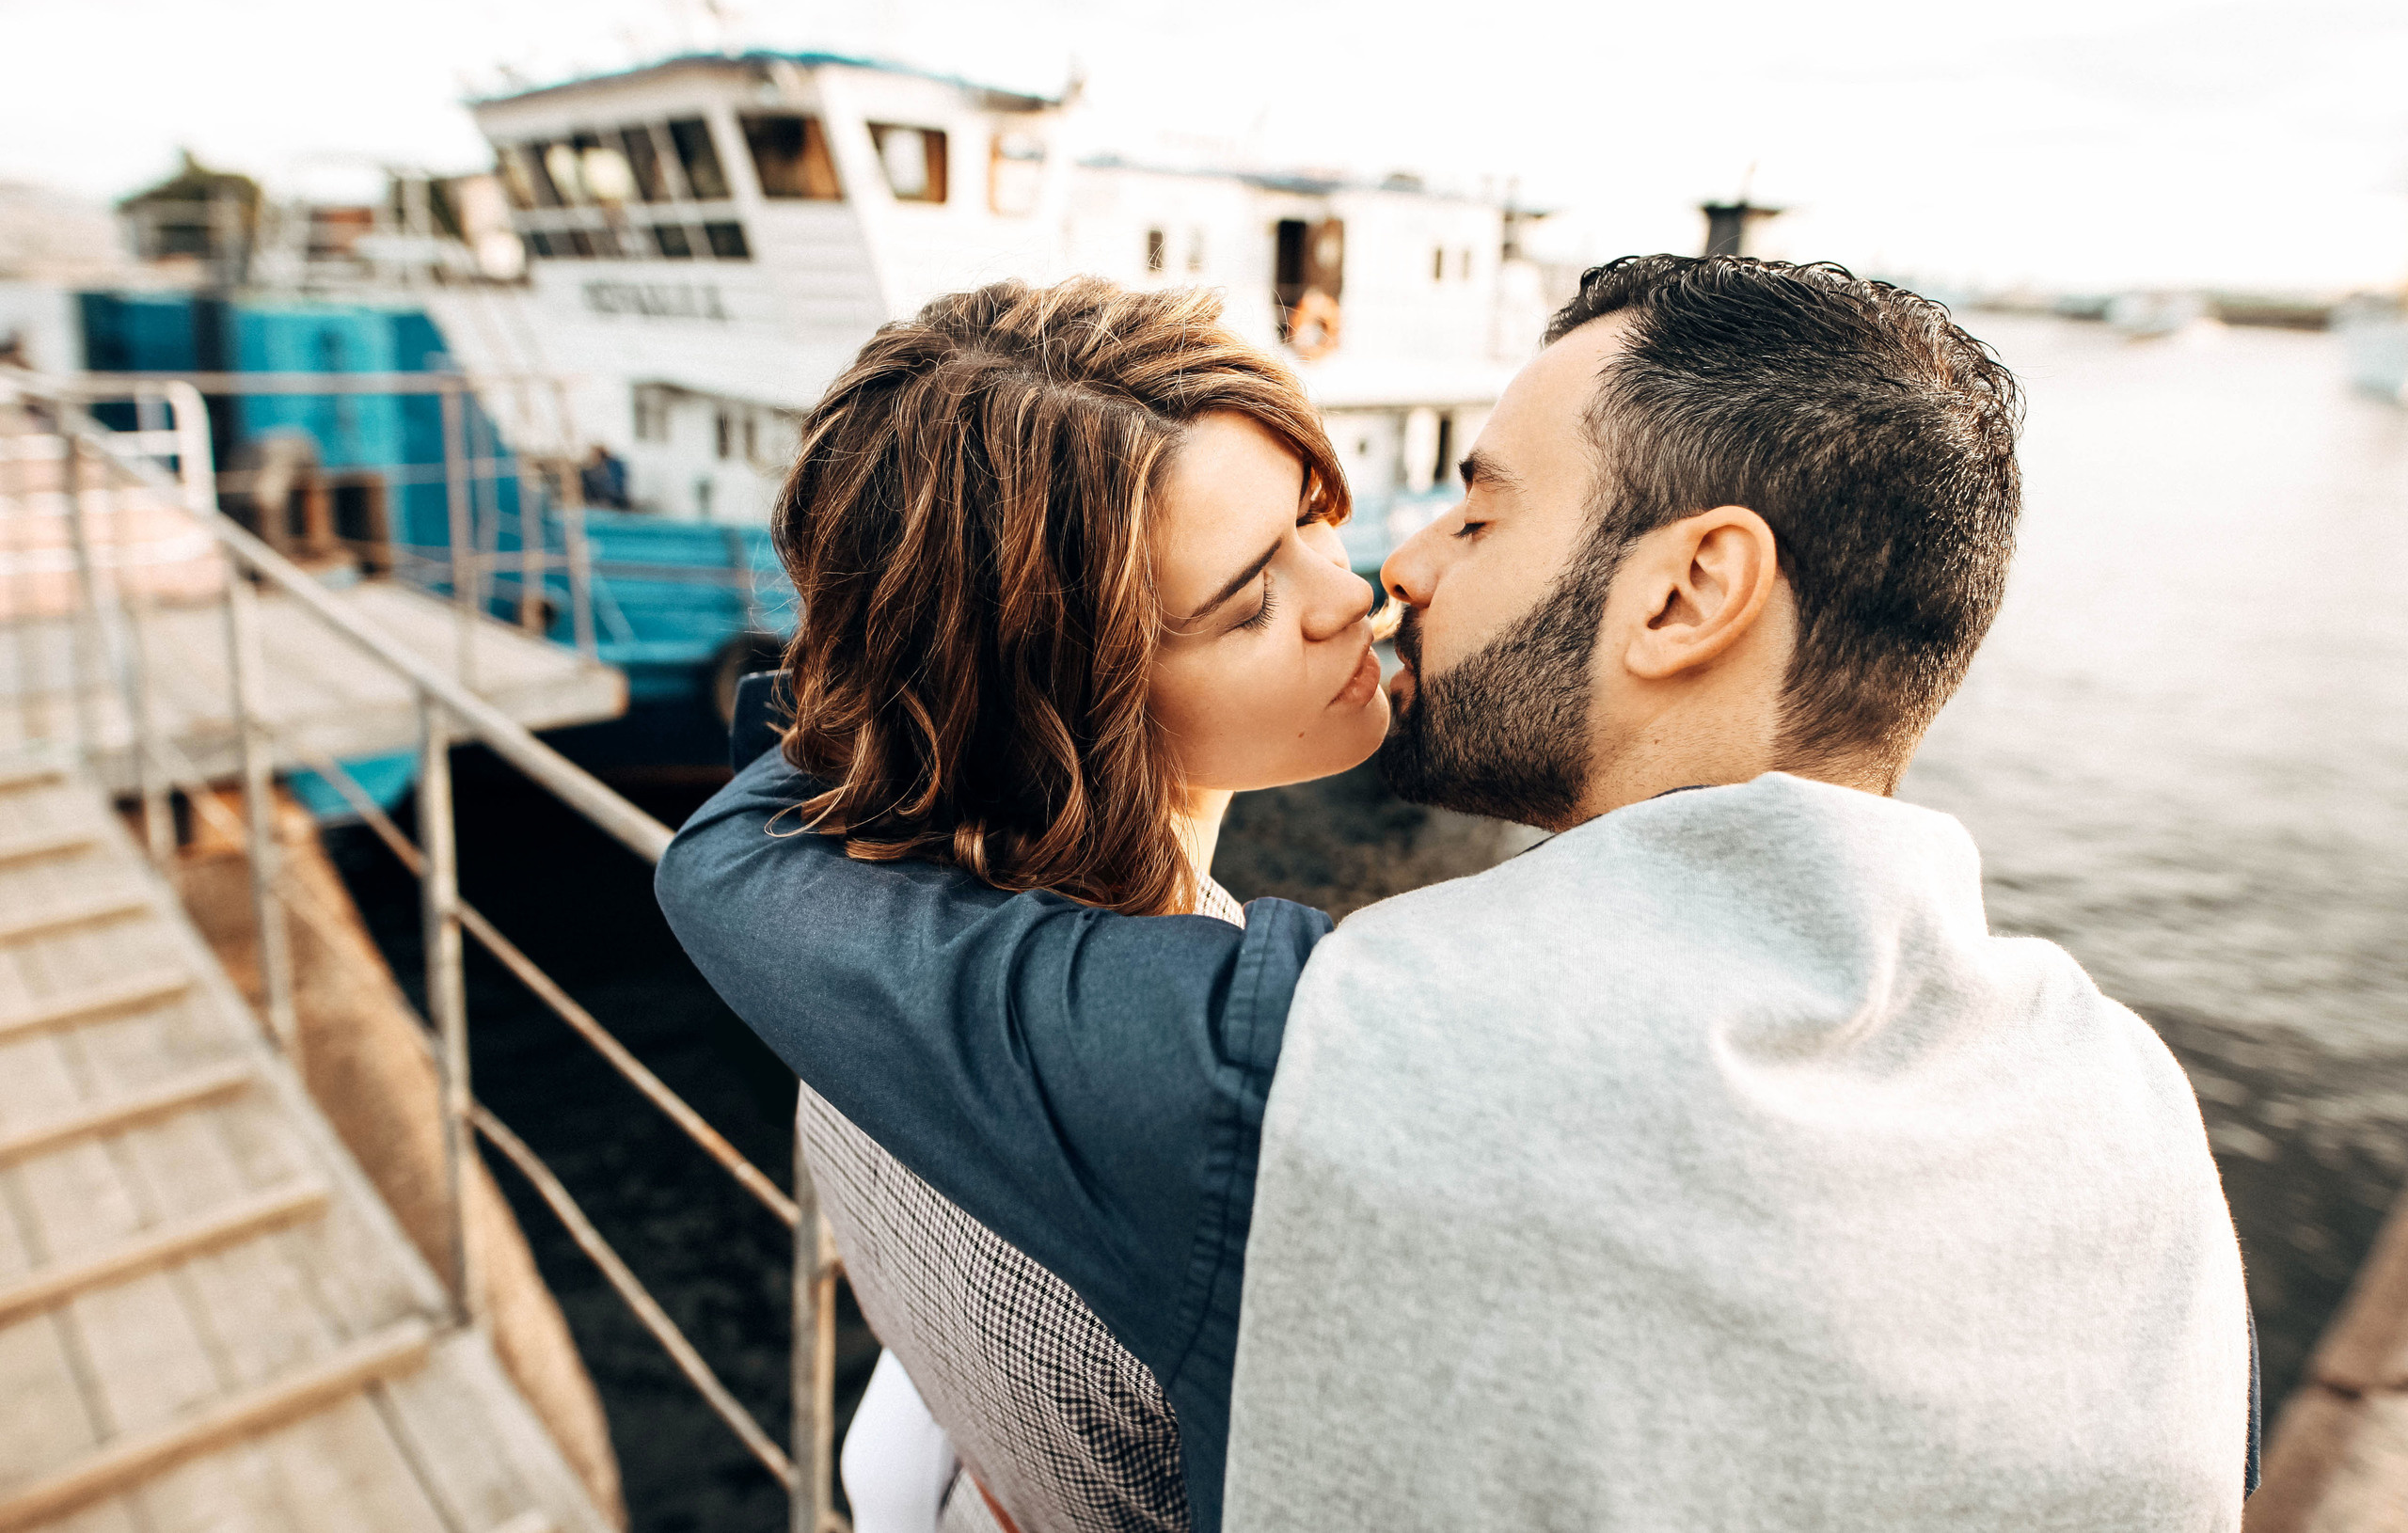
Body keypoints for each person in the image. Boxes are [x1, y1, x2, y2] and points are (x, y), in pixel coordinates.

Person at [662, 256, 2258, 1531]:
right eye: (1245, 594)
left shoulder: (1259, 1062)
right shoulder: (2121, 1093)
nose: (1379, 577)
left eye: (1476, 510)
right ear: (1065, 685)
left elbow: (738, 875)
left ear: (1695, 588)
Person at [732, 277, 1388, 1533]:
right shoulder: (1214, 1116)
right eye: (1250, 601)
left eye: (1315, 515)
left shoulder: (864, 982)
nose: (1347, 593)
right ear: (1065, 703)